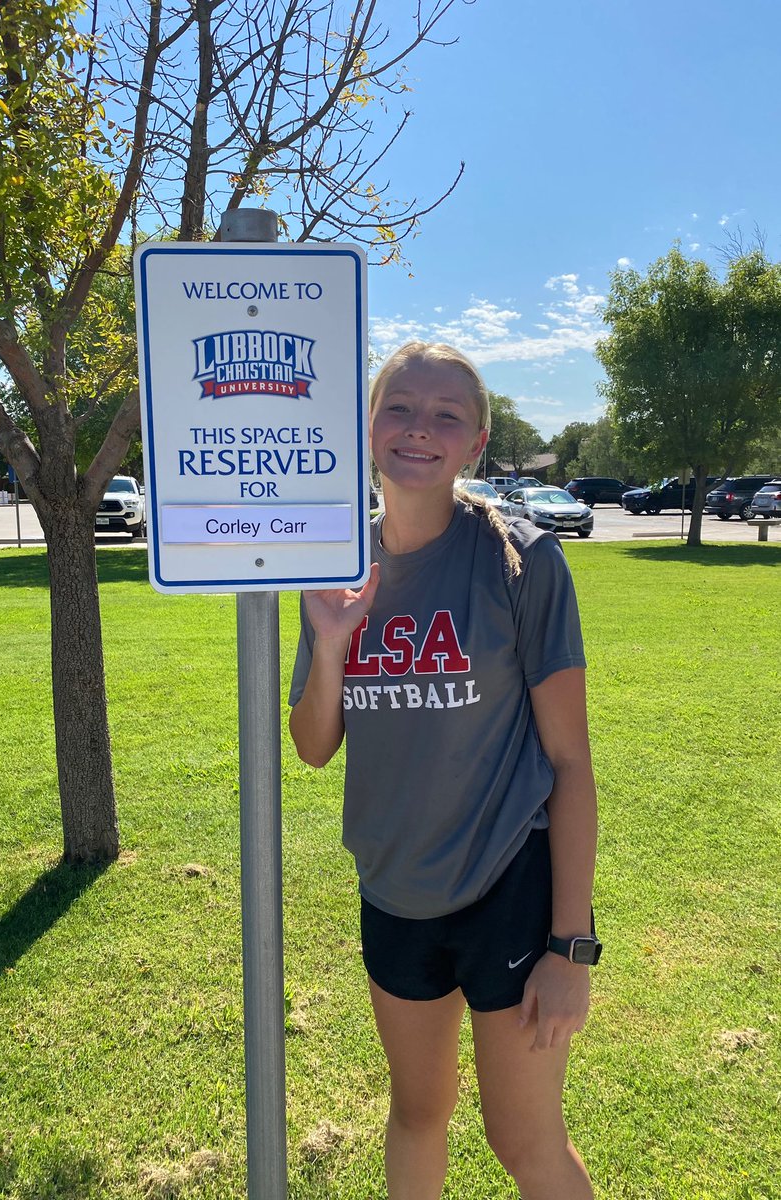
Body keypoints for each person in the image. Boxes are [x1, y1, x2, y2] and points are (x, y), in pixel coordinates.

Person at [288, 342, 600, 1200]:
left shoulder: (523, 562)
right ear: (366, 425)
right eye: (399, 407)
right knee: (418, 1111)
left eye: (446, 416)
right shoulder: (334, 564)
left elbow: (570, 764)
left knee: (525, 1142)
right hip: (393, 892)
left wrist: (570, 947)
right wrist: (328, 646)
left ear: (476, 440)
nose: (419, 429)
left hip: (510, 892)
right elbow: (314, 745)